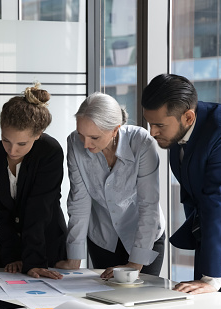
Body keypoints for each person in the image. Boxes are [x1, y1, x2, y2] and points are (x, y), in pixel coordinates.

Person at [142, 74, 221, 296]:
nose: (152, 132)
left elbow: (219, 201)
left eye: (159, 125)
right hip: (211, 241)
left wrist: (213, 276)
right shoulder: (177, 131)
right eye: (150, 123)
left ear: (188, 117)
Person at [58, 92, 165, 279]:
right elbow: (79, 201)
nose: (85, 144)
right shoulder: (74, 142)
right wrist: (74, 256)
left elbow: (149, 204)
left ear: (115, 130)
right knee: (105, 300)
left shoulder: (141, 142)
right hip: (103, 237)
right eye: (81, 135)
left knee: (140, 300)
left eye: (94, 137)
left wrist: (135, 263)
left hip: (144, 236)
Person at [0, 84, 67, 279]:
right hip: (5, 245)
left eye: (21, 144)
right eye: (6, 140)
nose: (12, 151)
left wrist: (33, 262)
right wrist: (11, 255)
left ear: (38, 135)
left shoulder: (50, 151)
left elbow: (39, 209)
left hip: (44, 244)